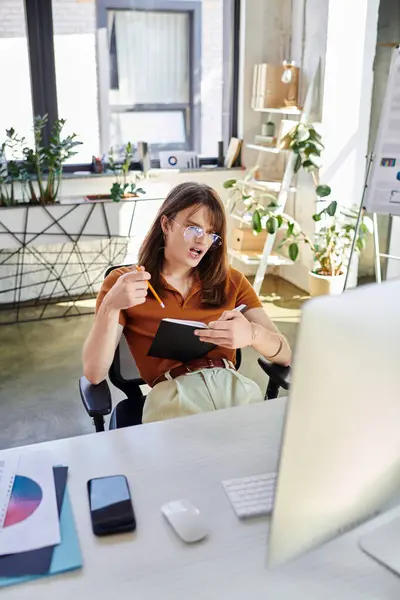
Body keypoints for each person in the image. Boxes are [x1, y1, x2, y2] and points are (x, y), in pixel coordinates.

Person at [82, 182, 291, 422]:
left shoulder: (231, 281)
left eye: (211, 233)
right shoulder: (125, 283)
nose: (203, 241)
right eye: (194, 229)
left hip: (234, 390)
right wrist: (111, 306)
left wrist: (252, 334)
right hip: (173, 397)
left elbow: (284, 354)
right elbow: (94, 374)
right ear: (166, 224)